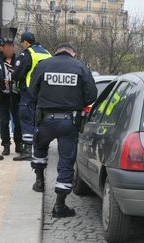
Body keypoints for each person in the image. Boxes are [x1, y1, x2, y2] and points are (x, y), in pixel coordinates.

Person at [28, 43, 97, 218]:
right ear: (73, 53)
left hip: (45, 119)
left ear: (57, 51)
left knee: (40, 149)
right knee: (66, 160)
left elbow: (32, 91)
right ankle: (59, 206)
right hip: (69, 121)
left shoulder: (43, 65)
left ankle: (39, 181)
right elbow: (91, 96)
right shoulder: (81, 67)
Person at [12, 32, 51, 161]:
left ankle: (28, 149)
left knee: (27, 118)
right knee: (39, 120)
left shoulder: (28, 53)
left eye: (22, 43)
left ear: (26, 42)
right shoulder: (47, 53)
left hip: (29, 92)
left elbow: (17, 73)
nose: (22, 45)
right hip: (45, 93)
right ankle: (38, 148)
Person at [0, 37, 23, 155]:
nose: (8, 49)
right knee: (4, 121)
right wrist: (2, 81)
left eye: (11, 46)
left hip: (16, 95)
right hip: (2, 95)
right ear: (2, 48)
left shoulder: (18, 60)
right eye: (6, 47)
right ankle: (6, 145)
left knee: (18, 121)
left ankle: (18, 144)